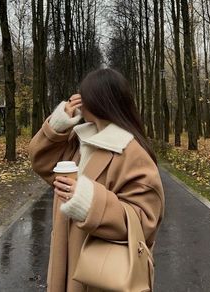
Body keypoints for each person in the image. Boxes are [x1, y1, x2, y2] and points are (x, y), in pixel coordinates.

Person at [29, 68, 165, 292]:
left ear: (99, 100)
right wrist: (59, 123)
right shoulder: (80, 140)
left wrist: (89, 203)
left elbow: (145, 221)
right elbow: (41, 162)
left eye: (84, 94)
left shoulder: (132, 152)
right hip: (66, 261)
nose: (78, 99)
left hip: (102, 272)